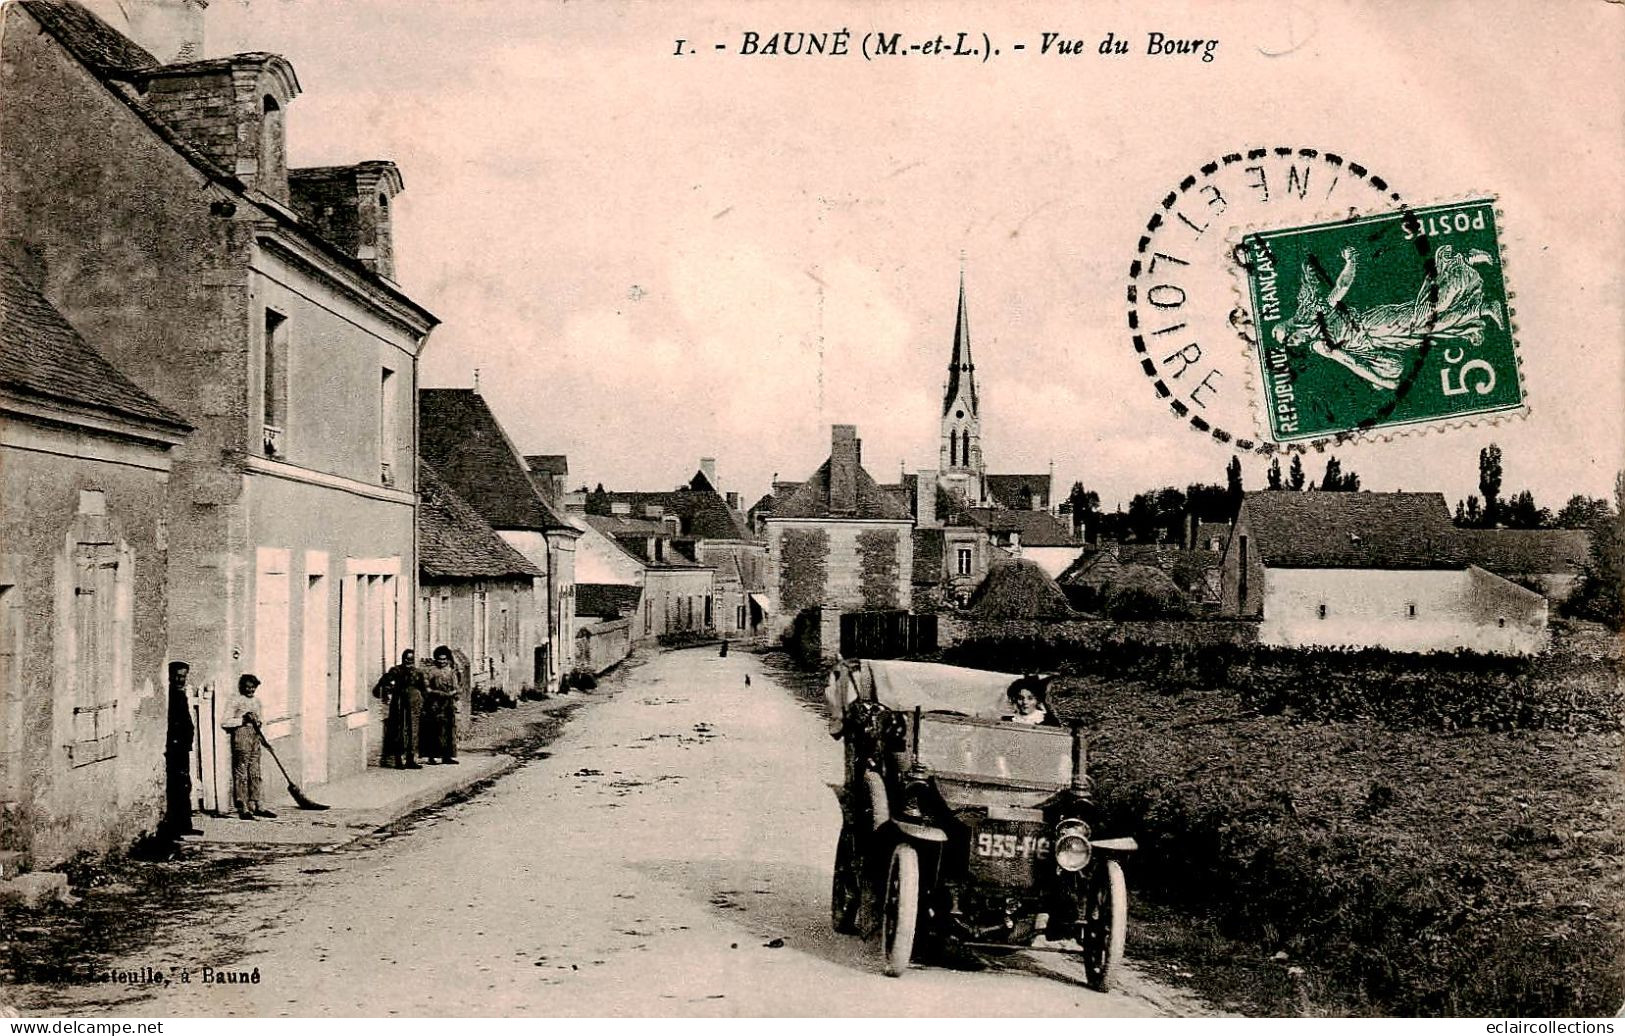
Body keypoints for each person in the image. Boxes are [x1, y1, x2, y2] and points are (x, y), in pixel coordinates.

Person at [219, 674, 276, 820]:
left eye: (253, 687)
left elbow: (262, 721)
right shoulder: (236, 701)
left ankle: (256, 804)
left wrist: (265, 739)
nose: (250, 690)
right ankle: (243, 806)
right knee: (242, 773)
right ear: (242, 687)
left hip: (255, 738)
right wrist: (243, 719)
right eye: (247, 687)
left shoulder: (257, 702)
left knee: (255, 772)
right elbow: (225, 722)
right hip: (242, 737)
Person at [161, 661, 203, 838]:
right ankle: (175, 826)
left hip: (183, 747)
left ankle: (185, 823)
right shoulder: (169, 695)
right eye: (177, 676)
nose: (180, 679)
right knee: (176, 786)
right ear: (170, 676)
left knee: (185, 785)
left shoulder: (181, 693)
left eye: (183, 676)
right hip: (174, 747)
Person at [373, 649, 424, 769]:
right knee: (398, 731)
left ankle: (410, 759)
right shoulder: (395, 671)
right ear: (403, 659)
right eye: (406, 659)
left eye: (411, 659)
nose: (408, 662)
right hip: (399, 704)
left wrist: (423, 703)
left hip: (413, 704)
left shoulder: (418, 673)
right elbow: (384, 682)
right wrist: (387, 690)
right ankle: (398, 760)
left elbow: (423, 688)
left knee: (413, 731)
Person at [419, 646, 460, 765]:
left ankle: (447, 756)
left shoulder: (451, 671)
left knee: (448, 729)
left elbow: (456, 687)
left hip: (448, 703)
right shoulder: (431, 671)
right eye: (440, 659)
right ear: (436, 659)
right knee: (434, 729)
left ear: (448, 659)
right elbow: (427, 688)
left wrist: (453, 692)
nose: (442, 661)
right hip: (434, 704)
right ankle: (432, 756)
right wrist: (438, 693)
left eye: (444, 659)